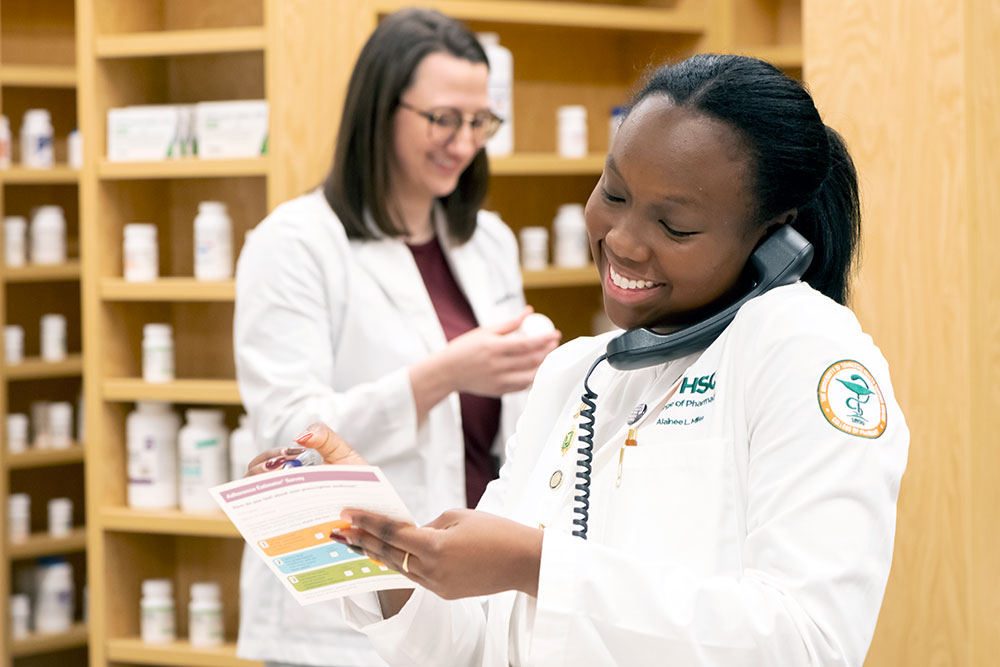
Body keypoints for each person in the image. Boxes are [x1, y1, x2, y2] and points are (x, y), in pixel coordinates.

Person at [250, 54, 910, 666]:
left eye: (675, 227)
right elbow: (482, 640)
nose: (622, 241)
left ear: (775, 237)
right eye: (614, 193)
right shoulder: (580, 371)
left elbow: (808, 640)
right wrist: (382, 543)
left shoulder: (805, 351)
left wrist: (540, 565)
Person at [233, 8, 560, 667]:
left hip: (472, 597)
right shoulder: (295, 244)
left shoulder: (486, 241)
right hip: (342, 610)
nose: (463, 142)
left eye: (479, 121)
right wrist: (440, 375)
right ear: (380, 110)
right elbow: (286, 437)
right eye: (443, 119)